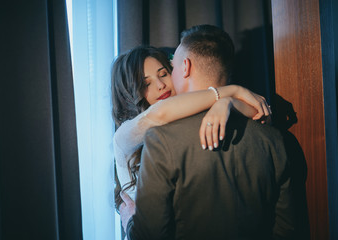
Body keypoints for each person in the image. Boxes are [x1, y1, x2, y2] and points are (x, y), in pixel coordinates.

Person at [120, 25, 296, 239]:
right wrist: (231, 95)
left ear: (185, 67)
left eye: (168, 70)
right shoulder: (274, 139)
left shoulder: (161, 141)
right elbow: (287, 230)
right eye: (145, 83)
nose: (161, 86)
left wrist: (130, 221)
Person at [111, 46, 271, 209]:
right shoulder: (123, 136)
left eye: (163, 74)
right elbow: (159, 114)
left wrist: (227, 102)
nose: (160, 85)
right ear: (130, 94)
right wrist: (233, 90)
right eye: (146, 84)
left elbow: (258, 112)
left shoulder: (187, 115)